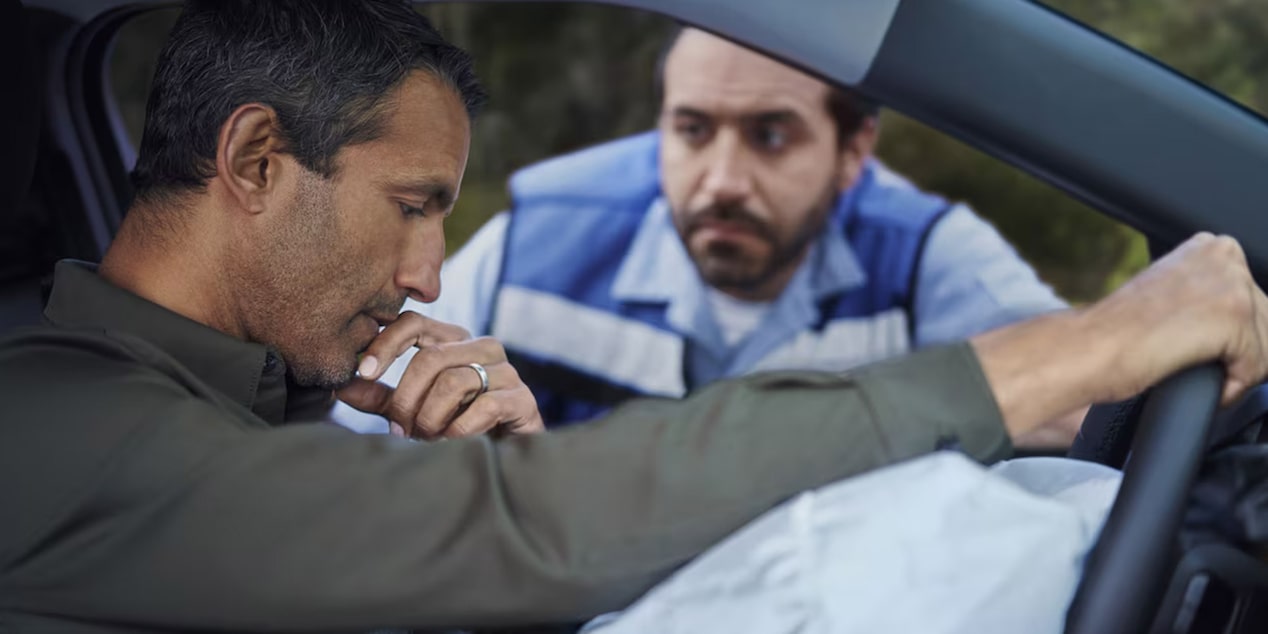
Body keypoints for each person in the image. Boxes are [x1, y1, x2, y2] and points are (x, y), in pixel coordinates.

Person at [3, 1, 1268, 631]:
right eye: (409, 205)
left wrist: (489, 481)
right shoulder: (58, 427)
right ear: (257, 160)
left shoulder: (241, 404)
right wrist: (1080, 346)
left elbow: (498, 538)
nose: (432, 274)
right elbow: (531, 529)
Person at [333, 28, 1069, 434]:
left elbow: (1083, 409)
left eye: (771, 136)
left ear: (853, 154)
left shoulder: (922, 255)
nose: (721, 180)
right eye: (692, 130)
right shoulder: (541, 240)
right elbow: (363, 433)